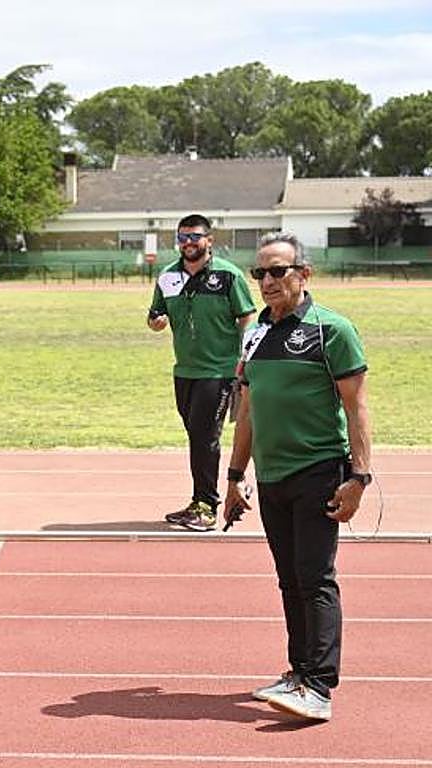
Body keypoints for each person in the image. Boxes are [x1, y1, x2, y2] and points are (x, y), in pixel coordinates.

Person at [224, 232, 373, 722]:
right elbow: (247, 409)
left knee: (316, 578)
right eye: (259, 273)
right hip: (271, 477)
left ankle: (320, 686)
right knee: (289, 580)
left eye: (277, 271)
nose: (266, 281)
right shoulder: (255, 333)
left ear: (303, 274)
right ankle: (299, 672)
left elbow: (357, 408)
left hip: (319, 471)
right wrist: (234, 476)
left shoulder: (333, 330)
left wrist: (358, 478)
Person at [148, 214, 256, 531]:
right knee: (197, 435)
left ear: (209, 239)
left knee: (204, 436)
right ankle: (202, 500)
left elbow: (247, 316)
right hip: (185, 370)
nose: (188, 243)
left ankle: (207, 507)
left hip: (220, 369)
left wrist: (242, 358)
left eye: (195, 237)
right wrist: (156, 322)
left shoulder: (228, 276)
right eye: (182, 238)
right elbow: (156, 314)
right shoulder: (167, 277)